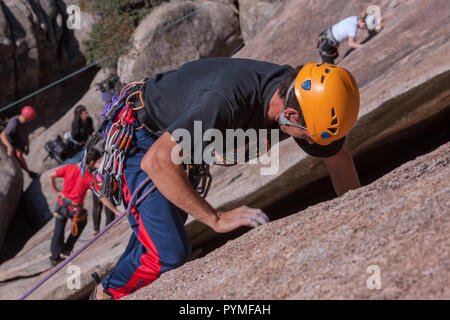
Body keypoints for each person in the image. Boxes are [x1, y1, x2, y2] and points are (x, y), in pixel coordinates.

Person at [91, 58, 361, 300]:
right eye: (308, 135)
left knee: (158, 233)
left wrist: (355, 223)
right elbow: (157, 161)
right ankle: (105, 294)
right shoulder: (227, 101)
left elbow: (339, 161)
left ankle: (111, 286)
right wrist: (216, 219)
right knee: (167, 253)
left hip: (176, 137)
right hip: (142, 136)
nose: (310, 142)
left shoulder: (302, 97)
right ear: (289, 115)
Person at [48, 149, 121, 266]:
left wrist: (57, 191)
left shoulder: (69, 168)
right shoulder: (88, 177)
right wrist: (116, 211)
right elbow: (102, 197)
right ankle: (67, 248)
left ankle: (54, 257)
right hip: (74, 209)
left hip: (61, 204)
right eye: (98, 161)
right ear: (91, 162)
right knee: (82, 222)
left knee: (58, 230)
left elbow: (50, 175)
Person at [0, 106, 38, 179]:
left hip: (20, 145)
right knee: (19, 156)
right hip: (13, 145)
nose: (31, 120)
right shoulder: (14, 122)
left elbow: (26, 134)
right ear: (28, 117)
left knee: (20, 156)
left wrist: (27, 146)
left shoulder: (25, 122)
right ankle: (29, 173)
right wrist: (9, 146)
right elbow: (3, 135)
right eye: (30, 119)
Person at [91, 170, 117, 238]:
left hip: (106, 181)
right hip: (101, 181)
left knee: (107, 207)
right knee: (98, 208)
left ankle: (108, 227)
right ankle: (97, 230)